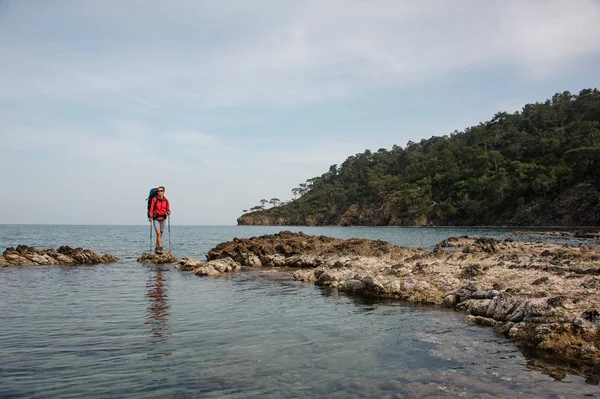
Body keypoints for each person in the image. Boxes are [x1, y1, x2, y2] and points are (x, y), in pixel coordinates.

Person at [148, 186, 171, 254]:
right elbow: (151, 209)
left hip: (163, 219)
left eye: (161, 191)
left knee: (160, 234)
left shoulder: (166, 200)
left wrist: (169, 212)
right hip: (156, 219)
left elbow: (168, 209)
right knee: (158, 233)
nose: (159, 192)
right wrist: (150, 217)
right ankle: (160, 248)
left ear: (164, 192)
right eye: (158, 191)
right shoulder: (154, 200)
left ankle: (156, 248)